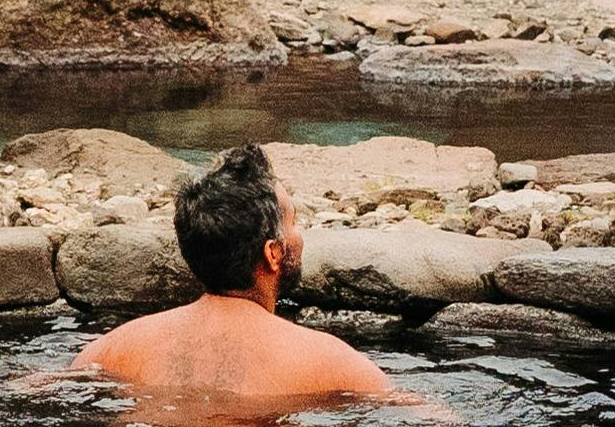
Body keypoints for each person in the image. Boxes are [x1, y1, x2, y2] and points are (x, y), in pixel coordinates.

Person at [71, 144, 398, 408]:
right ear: (273, 253)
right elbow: (417, 419)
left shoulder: (113, 349)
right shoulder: (334, 364)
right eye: (294, 221)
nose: (300, 234)